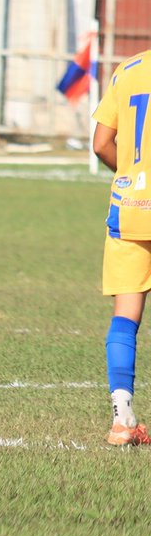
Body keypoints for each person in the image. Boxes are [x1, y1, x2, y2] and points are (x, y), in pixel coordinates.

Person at [93, 49, 151, 446]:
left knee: (125, 316)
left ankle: (122, 417)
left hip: (130, 207)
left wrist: (131, 175)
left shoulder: (128, 70)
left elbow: (100, 144)